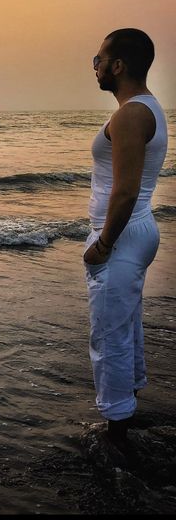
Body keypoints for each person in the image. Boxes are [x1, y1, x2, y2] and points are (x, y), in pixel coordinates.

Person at [84, 28, 168, 450]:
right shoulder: (145, 108)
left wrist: (102, 244)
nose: (94, 67)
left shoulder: (131, 114)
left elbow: (125, 190)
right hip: (136, 230)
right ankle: (126, 406)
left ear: (118, 65)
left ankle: (116, 434)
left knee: (109, 334)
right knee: (125, 324)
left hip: (122, 235)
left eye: (98, 59)